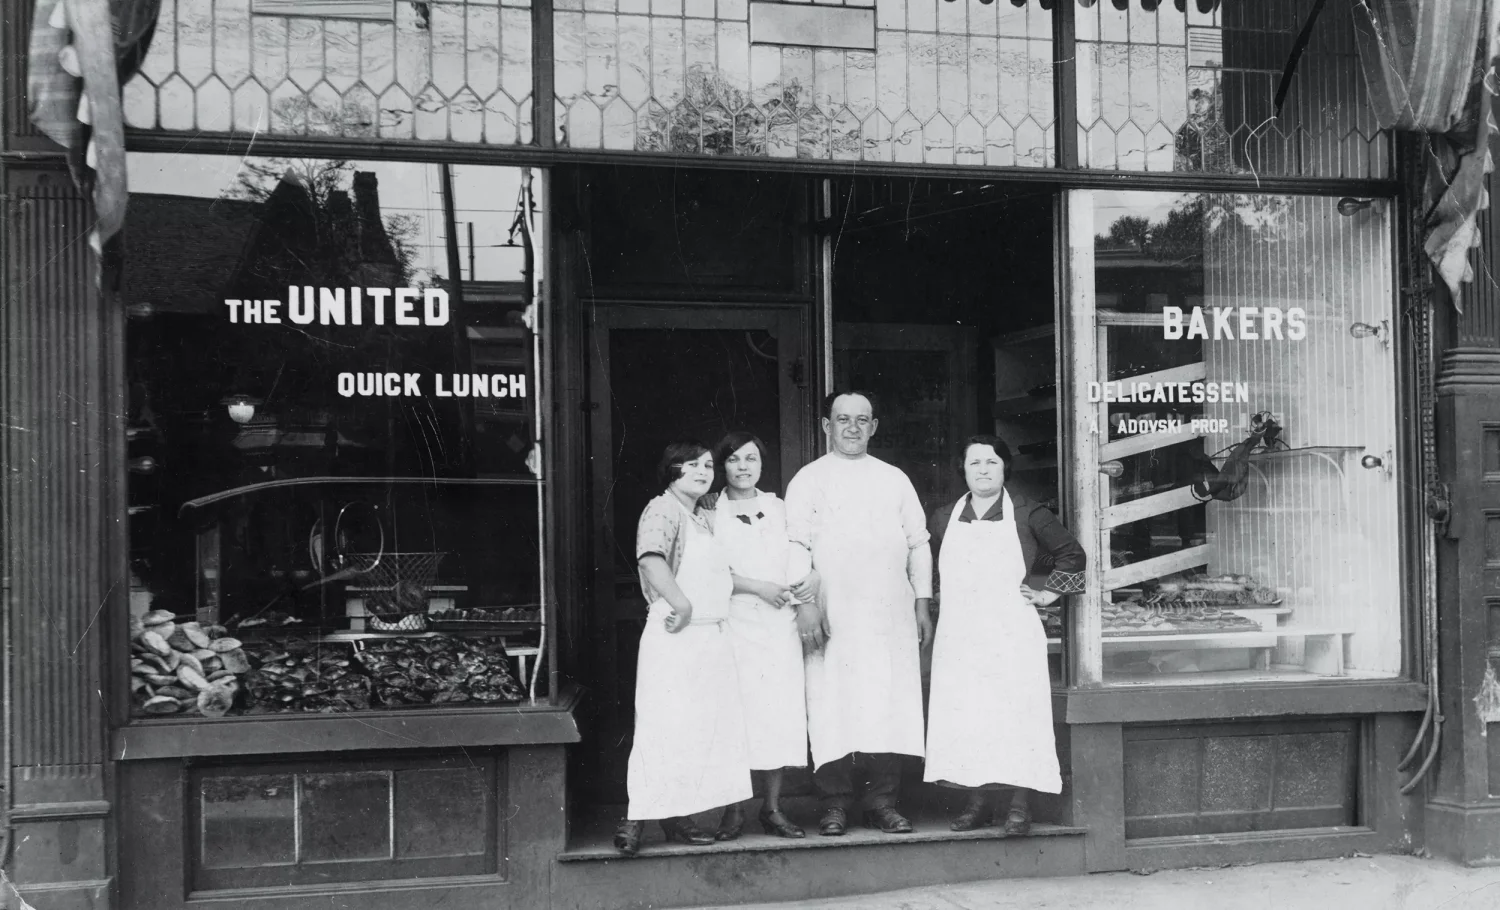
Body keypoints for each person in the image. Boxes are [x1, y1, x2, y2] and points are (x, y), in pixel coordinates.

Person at [784, 391, 933, 836]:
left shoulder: (894, 479)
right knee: (832, 704)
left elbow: (919, 543)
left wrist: (922, 603)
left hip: (889, 616)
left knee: (886, 703)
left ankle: (882, 801)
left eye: (862, 419)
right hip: (833, 616)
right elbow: (796, 545)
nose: (852, 427)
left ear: (874, 426)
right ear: (826, 426)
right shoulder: (808, 480)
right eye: (843, 419)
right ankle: (834, 803)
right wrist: (805, 605)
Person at [923, 434, 1086, 835]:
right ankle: (976, 802)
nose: (983, 470)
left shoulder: (1029, 514)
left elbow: (1072, 553)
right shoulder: (943, 517)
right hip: (961, 636)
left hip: (1011, 632)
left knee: (1015, 717)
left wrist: (1046, 590)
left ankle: (1018, 805)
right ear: (963, 470)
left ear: (1004, 469)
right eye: (975, 462)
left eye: (991, 462)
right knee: (971, 717)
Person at [614, 441, 752, 856]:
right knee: (662, 725)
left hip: (708, 637)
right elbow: (650, 560)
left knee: (695, 732)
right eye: (692, 464)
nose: (703, 471)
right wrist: (682, 602)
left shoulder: (701, 517)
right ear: (671, 471)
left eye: (709, 465)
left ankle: (678, 818)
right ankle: (635, 820)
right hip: (675, 632)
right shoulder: (662, 509)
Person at [706, 431, 814, 840]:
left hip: (779, 625)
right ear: (723, 466)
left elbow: (801, 550)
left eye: (751, 458)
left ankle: (771, 807)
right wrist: (757, 587)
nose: (743, 467)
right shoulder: (709, 511)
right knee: (737, 718)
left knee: (778, 715)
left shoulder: (779, 506)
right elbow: (710, 573)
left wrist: (808, 580)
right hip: (735, 622)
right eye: (734, 460)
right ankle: (733, 811)